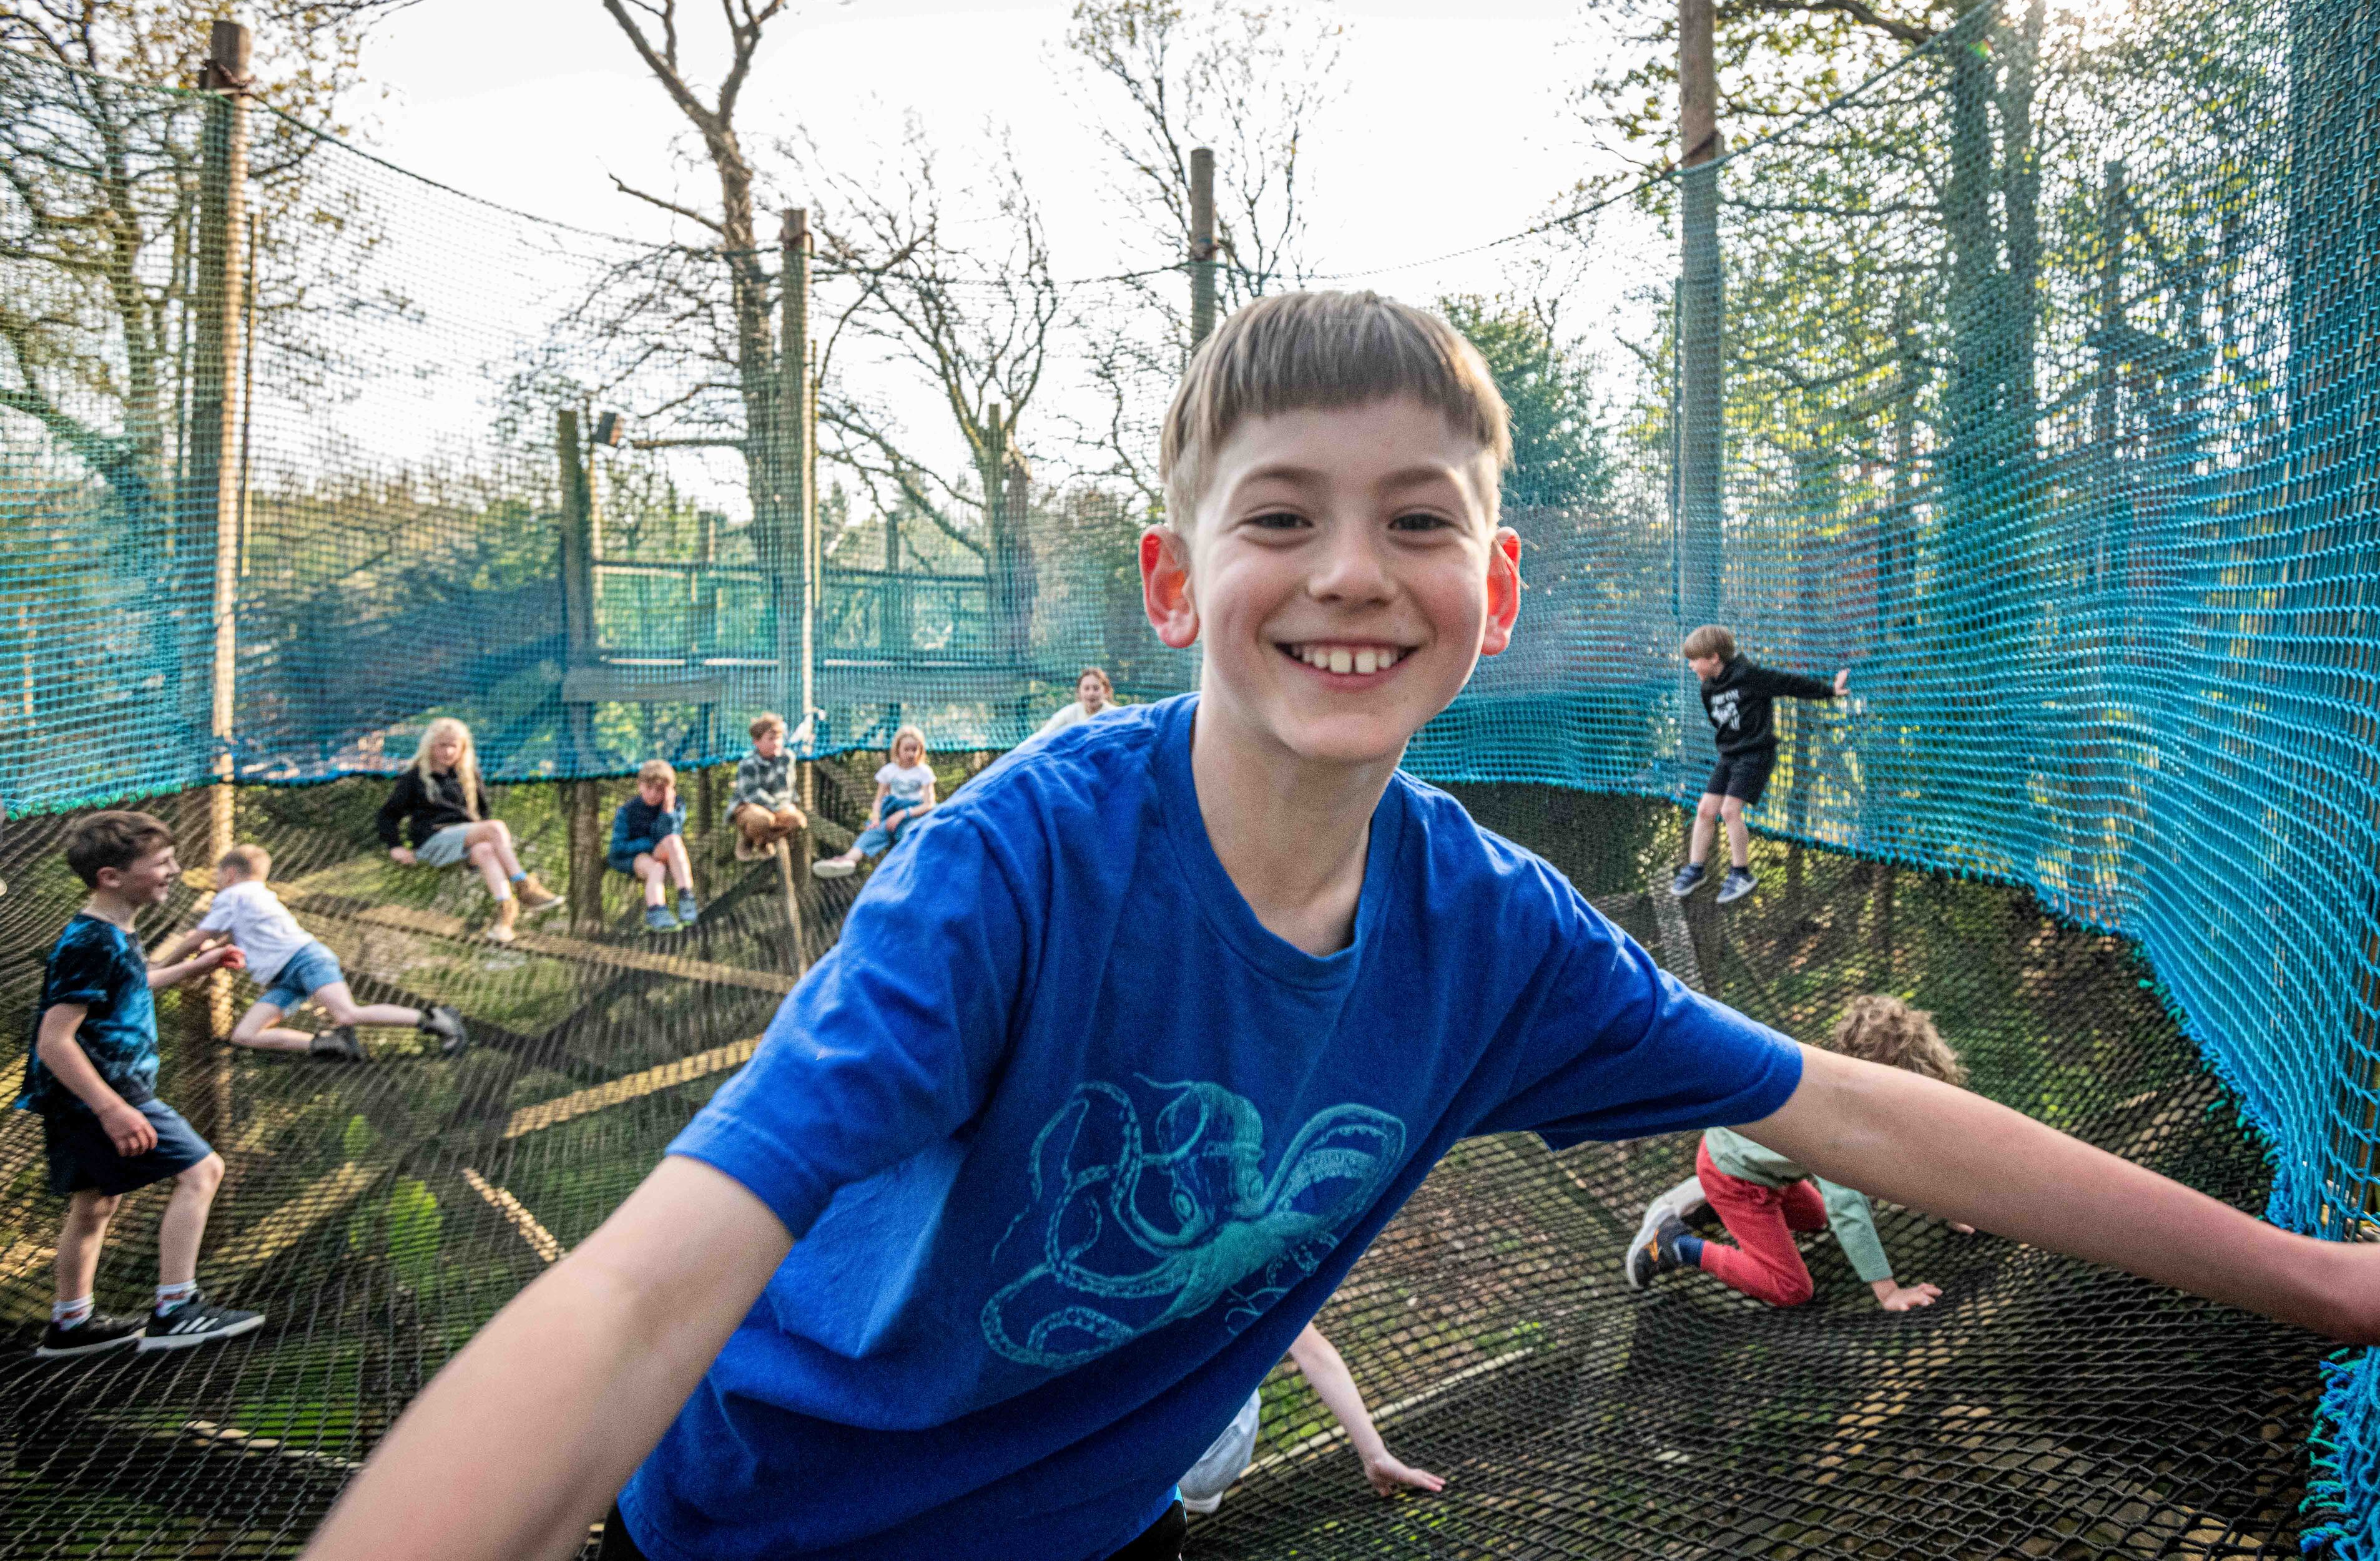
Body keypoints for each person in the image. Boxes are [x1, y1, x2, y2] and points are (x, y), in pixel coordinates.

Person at [304, 292, 2380, 1561]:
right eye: (1279, 512)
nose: (1347, 571)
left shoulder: (1493, 939)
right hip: (767, 1531)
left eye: (1414, 520)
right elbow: (645, 1297)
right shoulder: (1007, 874)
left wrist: (2313, 1281)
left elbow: (1858, 1110)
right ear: (1174, 577)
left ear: (1492, 591)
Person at [20, 811, 265, 1359]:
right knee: (203, 1170)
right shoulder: (89, 941)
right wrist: (111, 1109)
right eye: (162, 864)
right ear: (112, 876)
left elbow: (129, 985)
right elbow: (54, 1040)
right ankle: (176, 1307)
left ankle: (70, 1323)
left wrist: (193, 969)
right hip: (102, 1092)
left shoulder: (111, 932)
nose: (175, 871)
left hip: (85, 1097)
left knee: (95, 1204)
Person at [1626, 994, 1972, 1309]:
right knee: (1790, 1289)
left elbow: (1907, 1161)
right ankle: (1674, 1245)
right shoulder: (1837, 1128)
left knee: (1816, 1219)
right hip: (1735, 1177)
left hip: (1757, 1159)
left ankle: (1710, 1205)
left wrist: (1947, 1209)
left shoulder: (1840, 1079)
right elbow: (1848, 1212)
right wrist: (1889, 1291)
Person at [153, 843, 468, 1062]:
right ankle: (327, 1043)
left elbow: (199, 938)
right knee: (245, 1035)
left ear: (231, 874)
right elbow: (226, 940)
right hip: (286, 978)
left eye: (220, 877)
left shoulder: (235, 895)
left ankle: (434, 1019)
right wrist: (213, 952)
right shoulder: (255, 897)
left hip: (304, 961)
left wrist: (163, 966)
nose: (219, 883)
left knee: (346, 1013)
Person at [1177, 1322, 1443, 1517]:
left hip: (1196, 1455)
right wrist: (1375, 1455)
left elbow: (1313, 1353)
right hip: (1201, 1459)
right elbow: (1313, 1352)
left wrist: (1376, 1456)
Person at [1668, 625, 1848, 906]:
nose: (1691, 666)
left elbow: (1788, 684)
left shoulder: (1748, 676)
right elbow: (1721, 724)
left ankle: (1741, 873)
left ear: (1714, 658)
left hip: (1756, 754)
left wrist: (1829, 692)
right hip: (1730, 756)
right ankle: (1696, 869)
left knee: (1729, 810)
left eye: (1694, 660)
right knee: (1705, 809)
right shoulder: (1707, 689)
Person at [375, 717, 561, 944]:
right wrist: (395, 847)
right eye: (442, 745)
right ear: (430, 746)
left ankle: (504, 918)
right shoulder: (414, 778)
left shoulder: (468, 775)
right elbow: (387, 815)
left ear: (463, 747)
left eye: (454, 745)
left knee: (486, 849)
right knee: (496, 828)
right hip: (432, 842)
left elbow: (482, 816)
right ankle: (524, 887)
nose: (448, 751)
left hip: (465, 844)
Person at [810, 724, 935, 881]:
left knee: (909, 836)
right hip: (890, 815)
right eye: (907, 749)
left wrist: (903, 814)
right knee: (872, 833)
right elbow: (879, 800)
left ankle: (909, 870)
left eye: (915, 749)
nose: (911, 754)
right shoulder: (889, 771)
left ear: (921, 750)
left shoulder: (924, 772)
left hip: (913, 816)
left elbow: (929, 804)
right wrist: (876, 817)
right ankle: (848, 860)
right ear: (897, 749)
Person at [612, 761, 700, 932]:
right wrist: (647, 845)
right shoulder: (627, 811)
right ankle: (656, 911)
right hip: (632, 857)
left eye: (660, 789)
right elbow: (618, 848)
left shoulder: (676, 805)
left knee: (674, 841)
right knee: (657, 868)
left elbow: (671, 834)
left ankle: (686, 897)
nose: (653, 794)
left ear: (669, 789)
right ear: (640, 786)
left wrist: (667, 810)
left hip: (661, 851)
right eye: (649, 787)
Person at [729, 712, 809, 861]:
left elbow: (789, 788)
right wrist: (776, 808)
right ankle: (746, 838)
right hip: (751, 806)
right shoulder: (747, 764)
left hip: (780, 806)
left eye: (779, 738)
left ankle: (762, 842)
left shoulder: (788, 758)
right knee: (763, 820)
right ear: (756, 742)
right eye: (771, 739)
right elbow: (751, 794)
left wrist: (791, 805)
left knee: (799, 821)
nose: (777, 743)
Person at [1034, 666, 1117, 738]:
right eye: (1086, 688)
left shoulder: (1114, 714)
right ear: (1079, 692)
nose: (1091, 693)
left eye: (1096, 688)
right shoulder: (1069, 713)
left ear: (1106, 691)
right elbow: (1043, 735)